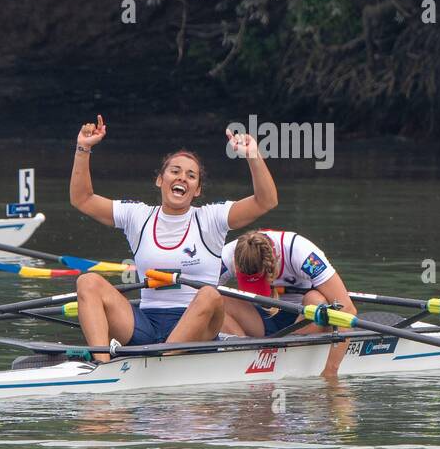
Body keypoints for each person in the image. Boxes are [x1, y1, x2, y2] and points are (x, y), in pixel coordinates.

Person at [69, 115, 277, 362]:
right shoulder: (138, 216)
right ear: (160, 180)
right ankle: (101, 365)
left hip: (198, 326)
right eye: (175, 171)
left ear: (197, 190)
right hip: (146, 324)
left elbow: (266, 201)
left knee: (210, 295)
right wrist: (83, 148)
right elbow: (82, 199)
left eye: (191, 176)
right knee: (88, 281)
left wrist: (252, 155)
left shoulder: (211, 219)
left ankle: (163, 360)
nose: (182, 178)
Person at [220, 229, 357, 377]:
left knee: (316, 300)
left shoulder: (302, 253)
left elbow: (347, 309)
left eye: (259, 281)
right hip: (263, 319)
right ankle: (243, 356)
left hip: (304, 321)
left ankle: (287, 351)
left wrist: (331, 371)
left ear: (276, 258)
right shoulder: (228, 254)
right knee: (217, 299)